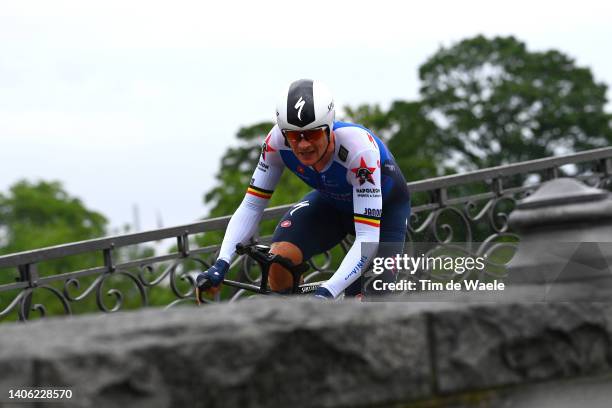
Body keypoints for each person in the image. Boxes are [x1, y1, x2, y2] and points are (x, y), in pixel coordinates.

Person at [196, 79, 410, 299]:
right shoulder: (276, 142)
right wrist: (221, 264)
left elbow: (367, 237)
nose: (303, 144)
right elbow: (252, 205)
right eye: (293, 136)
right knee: (279, 261)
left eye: (313, 134)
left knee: (367, 302)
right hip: (332, 203)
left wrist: (327, 292)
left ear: (329, 128)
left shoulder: (358, 150)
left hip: (385, 214)